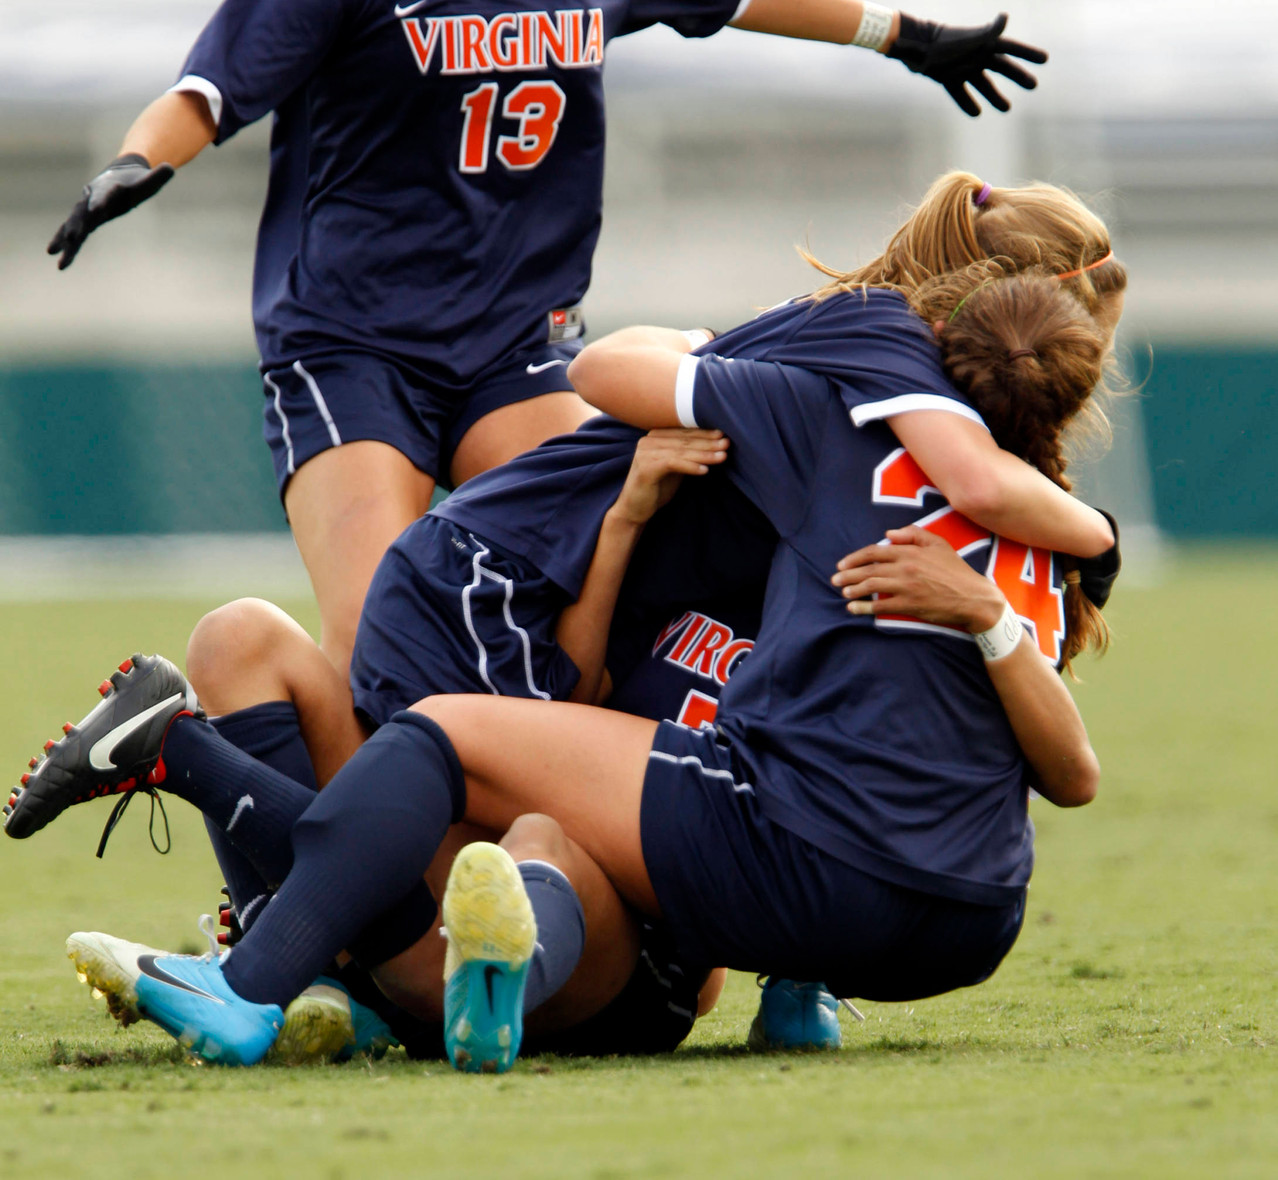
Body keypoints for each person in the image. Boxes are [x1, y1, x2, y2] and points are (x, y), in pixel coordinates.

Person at [43, 0, 1049, 681]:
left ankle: (548, 842)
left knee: (582, 613)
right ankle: (242, 767)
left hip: (517, 349)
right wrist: (138, 163)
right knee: (380, 644)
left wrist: (907, 38)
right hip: (353, 348)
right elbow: (208, 92)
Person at [6, 259, 1119, 1067]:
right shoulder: (1055, 545)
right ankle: (307, 956)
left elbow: (612, 365)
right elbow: (1026, 767)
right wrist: (630, 517)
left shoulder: (823, 443)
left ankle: (252, 901)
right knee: (244, 637)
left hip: (665, 940)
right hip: (945, 903)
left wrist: (727, 347)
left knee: (506, 813)